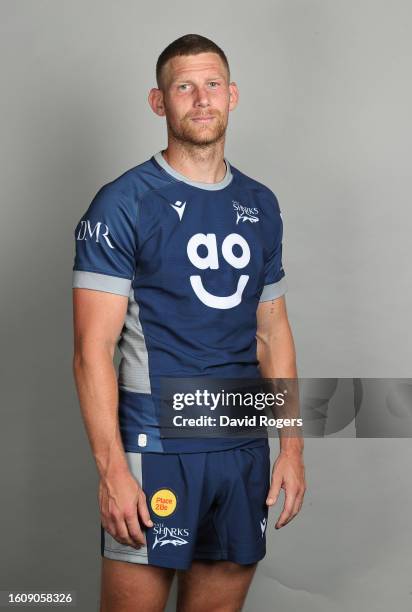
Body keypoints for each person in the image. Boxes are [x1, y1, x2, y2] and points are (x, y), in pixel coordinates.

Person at [72, 33, 306, 612]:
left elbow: (272, 333)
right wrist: (111, 472)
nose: (201, 100)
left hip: (241, 444)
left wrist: (292, 447)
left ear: (232, 95)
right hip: (155, 446)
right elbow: (91, 350)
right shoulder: (123, 202)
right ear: (159, 102)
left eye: (212, 85)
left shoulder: (262, 203)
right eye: (184, 87)